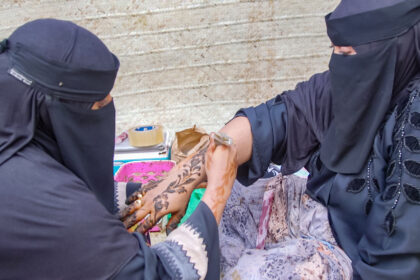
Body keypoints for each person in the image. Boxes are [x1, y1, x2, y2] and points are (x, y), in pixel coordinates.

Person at [122, 0, 420, 279]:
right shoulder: (350, 85)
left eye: (347, 53)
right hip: (325, 215)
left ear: (395, 51)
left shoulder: (414, 126)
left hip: (364, 260)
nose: (337, 63)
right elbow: (277, 119)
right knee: (233, 200)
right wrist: (180, 180)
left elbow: (393, 258)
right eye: (335, 50)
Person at [0, 18, 238, 279]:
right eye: (99, 105)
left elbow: (79, 187)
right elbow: (156, 274)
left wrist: (165, 186)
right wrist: (217, 193)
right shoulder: (52, 209)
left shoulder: (16, 138)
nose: (109, 108)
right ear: (56, 113)